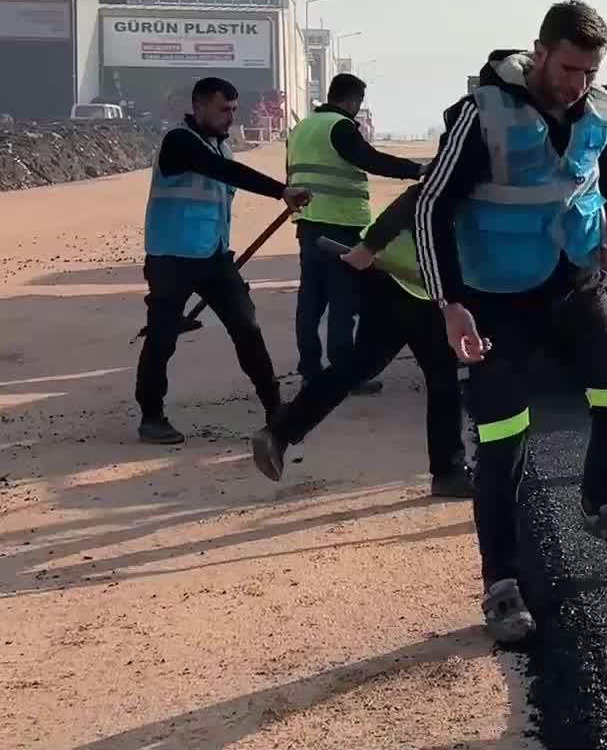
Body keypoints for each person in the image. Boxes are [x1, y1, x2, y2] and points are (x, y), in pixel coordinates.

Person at [415, 0, 607, 645]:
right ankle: (502, 583)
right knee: (503, 440)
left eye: (589, 71)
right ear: (540, 52)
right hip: (495, 298)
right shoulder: (481, 116)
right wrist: (450, 302)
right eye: (570, 68)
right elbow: (431, 208)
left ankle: (599, 503)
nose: (579, 83)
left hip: (574, 284)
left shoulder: (601, 113)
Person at [250, 182, 473, 497]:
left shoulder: (469, 169)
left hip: (394, 277)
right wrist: (368, 248)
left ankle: (279, 433)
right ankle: (449, 472)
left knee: (358, 364)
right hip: (410, 284)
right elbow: (412, 201)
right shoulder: (466, 172)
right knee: (442, 377)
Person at [135, 77, 312, 445]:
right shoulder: (180, 142)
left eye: (233, 109)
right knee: (163, 338)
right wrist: (280, 190)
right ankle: (152, 416)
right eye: (222, 109)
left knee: (247, 328)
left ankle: (275, 409)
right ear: (199, 107)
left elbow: (222, 176)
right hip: (172, 258)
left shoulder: (223, 148)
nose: (229, 116)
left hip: (215, 256)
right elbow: (223, 173)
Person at [285, 73, 425, 396]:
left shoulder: (302, 129)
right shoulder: (340, 126)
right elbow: (369, 160)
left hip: (308, 223)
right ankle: (344, 373)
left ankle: (310, 370)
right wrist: (415, 169)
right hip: (339, 225)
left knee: (311, 300)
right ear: (352, 101)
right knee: (343, 300)